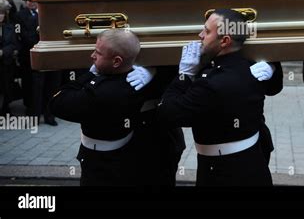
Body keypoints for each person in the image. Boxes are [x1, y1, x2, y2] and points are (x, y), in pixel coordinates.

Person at [157, 9, 273, 186]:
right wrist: (273, 66)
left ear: (225, 41)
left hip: (222, 171)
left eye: (207, 31)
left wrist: (184, 74)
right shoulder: (252, 67)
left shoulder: (211, 83)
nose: (200, 35)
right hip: (252, 160)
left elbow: (168, 112)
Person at [49, 29, 157, 186]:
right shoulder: (140, 82)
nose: (92, 56)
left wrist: (90, 76)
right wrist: (152, 70)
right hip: (127, 155)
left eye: (98, 53)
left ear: (116, 61)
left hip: (98, 162)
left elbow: (56, 103)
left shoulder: (98, 93)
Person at [1, 0, 21, 115]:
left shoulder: (10, 27)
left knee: (6, 87)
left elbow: (15, 44)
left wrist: (3, 51)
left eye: (2, 13)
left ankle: (5, 110)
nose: (0, 16)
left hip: (6, 63)